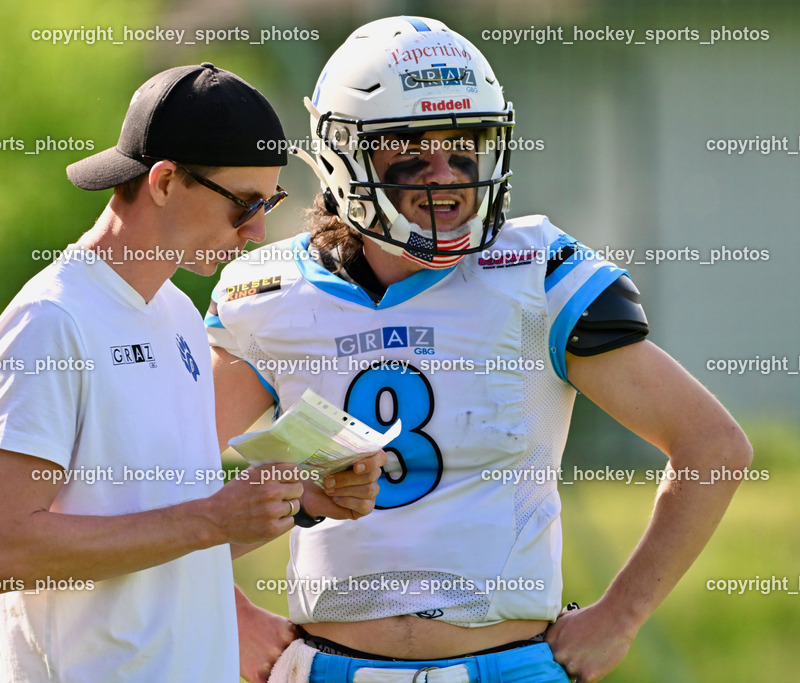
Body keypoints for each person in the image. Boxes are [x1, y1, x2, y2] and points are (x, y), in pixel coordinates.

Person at [207, 18, 753, 683]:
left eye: (466, 148)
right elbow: (156, 469)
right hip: (328, 668)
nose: (449, 177)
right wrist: (224, 610)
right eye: (412, 151)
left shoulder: (536, 273)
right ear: (342, 155)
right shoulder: (270, 291)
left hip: (508, 667)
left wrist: (621, 615)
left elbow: (713, 447)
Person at [0, 62, 383, 682]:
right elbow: (2, 550)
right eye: (244, 204)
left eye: (268, 202)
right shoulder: (52, 320)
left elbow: (171, 538)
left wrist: (293, 502)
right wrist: (209, 518)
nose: (258, 229)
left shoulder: (180, 315)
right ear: (163, 181)